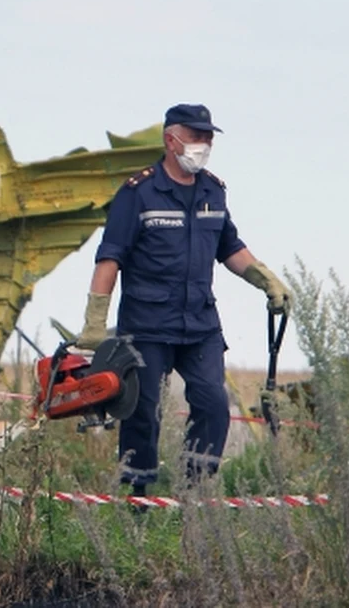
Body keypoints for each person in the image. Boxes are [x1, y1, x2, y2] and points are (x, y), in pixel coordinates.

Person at [75, 103, 291, 498]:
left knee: (213, 403)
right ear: (170, 139)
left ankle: (194, 494)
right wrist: (94, 322)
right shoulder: (137, 193)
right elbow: (110, 257)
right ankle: (137, 500)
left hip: (200, 325)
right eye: (195, 136)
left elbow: (230, 248)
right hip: (147, 325)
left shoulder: (213, 190)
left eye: (208, 137)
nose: (203, 144)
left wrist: (265, 280)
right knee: (143, 412)